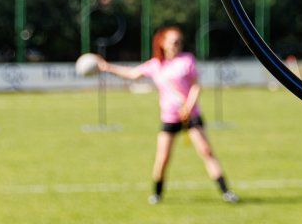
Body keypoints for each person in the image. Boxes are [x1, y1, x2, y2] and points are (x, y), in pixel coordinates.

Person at [97, 26, 238, 205]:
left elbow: (196, 86)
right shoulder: (156, 65)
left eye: (179, 41)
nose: (177, 45)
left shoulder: (187, 60)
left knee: (206, 150)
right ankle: (157, 193)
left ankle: (226, 191)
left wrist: (189, 105)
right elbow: (132, 74)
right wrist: (107, 67)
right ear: (163, 43)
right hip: (170, 117)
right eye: (174, 41)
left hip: (191, 115)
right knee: (163, 157)